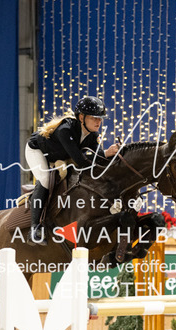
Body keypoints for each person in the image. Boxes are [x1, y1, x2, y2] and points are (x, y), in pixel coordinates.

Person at [25, 96, 121, 245]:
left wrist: (113, 156)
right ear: (81, 117)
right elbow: (81, 161)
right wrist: (107, 153)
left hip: (60, 155)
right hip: (37, 151)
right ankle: (35, 228)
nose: (98, 122)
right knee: (45, 179)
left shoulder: (92, 135)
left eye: (100, 118)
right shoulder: (65, 130)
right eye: (94, 118)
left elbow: (97, 158)